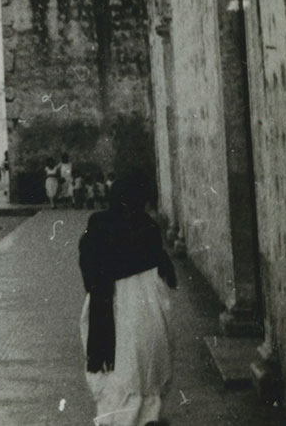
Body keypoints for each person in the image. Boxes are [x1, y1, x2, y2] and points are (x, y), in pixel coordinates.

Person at [78, 173, 178, 425]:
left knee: (117, 378)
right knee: (145, 375)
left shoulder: (99, 223)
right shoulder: (148, 227)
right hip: (148, 309)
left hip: (109, 311)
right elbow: (165, 276)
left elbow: (88, 268)